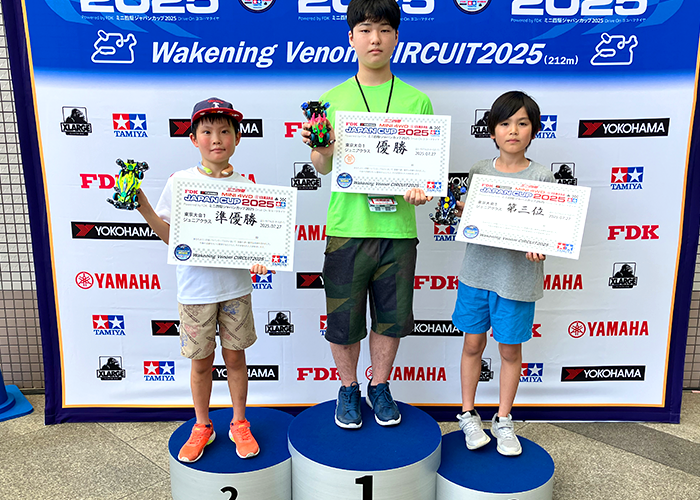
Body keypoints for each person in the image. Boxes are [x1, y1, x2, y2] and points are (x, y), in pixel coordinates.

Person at [300, 0, 433, 429]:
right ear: (351, 38)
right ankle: (348, 388)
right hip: (348, 228)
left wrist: (422, 191)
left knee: (391, 320)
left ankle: (380, 386)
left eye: (384, 29)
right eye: (365, 29)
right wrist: (322, 149)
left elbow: (426, 173)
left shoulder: (417, 101)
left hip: (398, 231)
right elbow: (322, 168)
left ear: (396, 37)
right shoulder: (331, 100)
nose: (375, 38)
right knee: (343, 320)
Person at [137, 97, 269, 462]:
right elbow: (170, 237)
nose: (216, 139)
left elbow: (257, 242)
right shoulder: (180, 183)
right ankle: (202, 425)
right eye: (207, 131)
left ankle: (239, 422)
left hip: (236, 289)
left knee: (236, 358)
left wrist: (262, 258)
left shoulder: (247, 186)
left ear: (237, 138)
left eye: (225, 131)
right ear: (193, 138)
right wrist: (144, 207)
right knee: (200, 363)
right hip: (195, 291)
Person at [453, 91, 554, 456]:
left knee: (510, 350)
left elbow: (550, 228)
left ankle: (504, 419)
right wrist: (463, 212)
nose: (513, 131)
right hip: (476, 274)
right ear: (492, 130)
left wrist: (542, 244)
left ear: (534, 130)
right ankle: (468, 414)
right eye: (505, 123)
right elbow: (470, 221)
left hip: (517, 279)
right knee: (472, 344)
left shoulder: (543, 176)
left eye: (522, 123)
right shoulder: (479, 171)